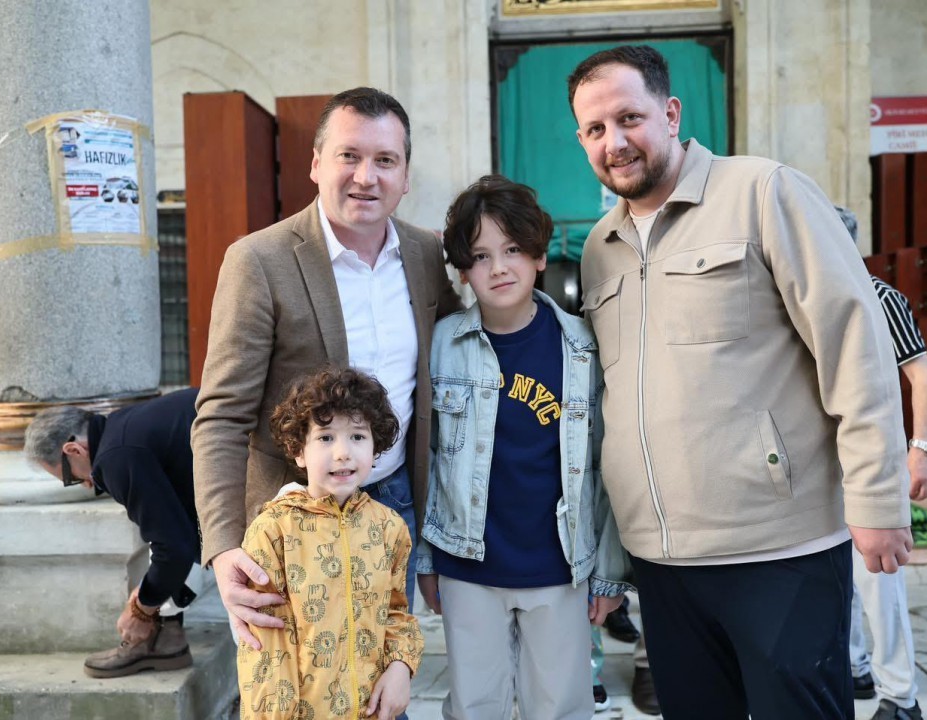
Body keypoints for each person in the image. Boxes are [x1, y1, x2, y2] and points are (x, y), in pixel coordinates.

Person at [568, 45, 913, 719]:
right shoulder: (598, 247)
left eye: (629, 117)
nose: (615, 142)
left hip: (778, 550)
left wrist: (876, 498)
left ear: (670, 114)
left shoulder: (764, 192)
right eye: (594, 129)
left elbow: (855, 344)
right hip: (662, 564)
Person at [192, 87, 462, 650]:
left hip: (393, 508)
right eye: (349, 155)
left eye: (385, 160)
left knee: (381, 670)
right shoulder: (260, 260)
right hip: (293, 516)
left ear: (406, 175)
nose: (366, 176)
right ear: (316, 164)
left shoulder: (423, 255)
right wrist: (222, 547)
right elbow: (221, 416)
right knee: (300, 686)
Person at [415, 175, 631, 720]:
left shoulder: (583, 347)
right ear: (463, 271)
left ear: (539, 256)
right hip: (469, 565)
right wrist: (427, 560)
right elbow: (430, 460)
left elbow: (606, 468)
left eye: (513, 250)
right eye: (481, 256)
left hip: (558, 567)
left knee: (561, 706)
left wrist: (607, 572)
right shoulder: (442, 345)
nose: (499, 268)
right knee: (475, 705)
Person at [237, 367, 422, 720]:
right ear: (298, 451)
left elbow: (397, 612)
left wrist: (401, 666)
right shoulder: (274, 531)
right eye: (325, 438)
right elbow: (265, 645)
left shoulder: (389, 528)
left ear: (375, 445)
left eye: (357, 436)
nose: (342, 453)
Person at [837, 207, 927, 720]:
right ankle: (855, 668)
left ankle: (900, 697)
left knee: (879, 579)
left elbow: (923, 375)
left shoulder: (879, 297)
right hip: (821, 466)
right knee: (837, 574)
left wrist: (922, 449)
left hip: (872, 463)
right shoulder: (808, 297)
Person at [24, 388, 200, 678]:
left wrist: (141, 610)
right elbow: (177, 529)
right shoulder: (123, 426)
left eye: (70, 477)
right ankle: (167, 638)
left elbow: (174, 547)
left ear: (73, 450)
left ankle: (157, 636)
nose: (83, 484)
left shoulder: (115, 457)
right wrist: (149, 591)